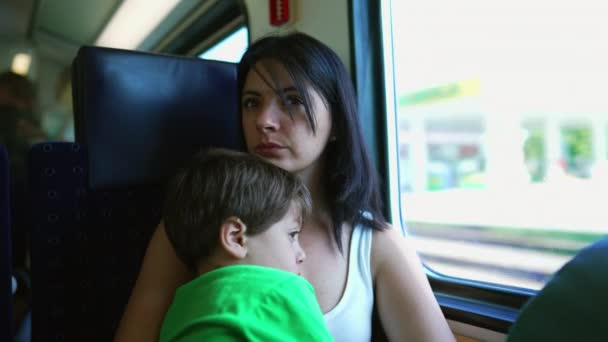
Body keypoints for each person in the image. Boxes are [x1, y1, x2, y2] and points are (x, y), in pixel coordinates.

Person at [115, 32, 454, 342]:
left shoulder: (375, 245)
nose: (264, 120)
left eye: (292, 100)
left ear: (335, 122)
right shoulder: (198, 219)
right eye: (252, 102)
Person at [158, 148, 332, 341]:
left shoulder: (180, 309)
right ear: (236, 238)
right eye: (292, 235)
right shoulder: (285, 291)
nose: (301, 254)